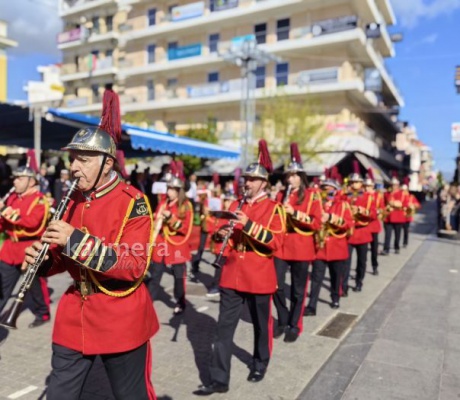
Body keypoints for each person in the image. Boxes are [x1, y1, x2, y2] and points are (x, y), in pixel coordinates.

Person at [24, 126, 159, 399]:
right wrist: (42, 261)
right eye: (72, 159)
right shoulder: (72, 198)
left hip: (120, 314)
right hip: (75, 314)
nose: (74, 167)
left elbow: (134, 264)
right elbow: (62, 259)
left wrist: (74, 241)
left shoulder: (133, 202)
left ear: (107, 163)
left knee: (130, 395)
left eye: (83, 160)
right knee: (59, 394)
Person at [194, 140, 284, 395]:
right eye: (246, 178)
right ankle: (219, 379)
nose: (248, 183)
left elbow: (275, 242)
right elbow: (224, 238)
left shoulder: (274, 208)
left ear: (264, 183)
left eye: (253, 180)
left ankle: (260, 362)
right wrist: (221, 235)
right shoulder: (236, 204)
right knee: (223, 328)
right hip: (232, 274)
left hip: (259, 275)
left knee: (260, 324)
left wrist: (249, 226)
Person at [273, 143, 321, 342]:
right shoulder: (280, 195)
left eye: (294, 175)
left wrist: (296, 214)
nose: (291, 179)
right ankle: (283, 318)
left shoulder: (312, 196)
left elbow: (316, 223)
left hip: (301, 247)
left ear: (301, 177)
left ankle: (294, 324)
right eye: (288, 176)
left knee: (298, 290)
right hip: (282, 246)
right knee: (275, 285)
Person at [0, 164, 51, 327]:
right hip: (10, 248)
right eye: (15, 178)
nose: (15, 182)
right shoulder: (13, 198)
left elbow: (31, 222)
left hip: (30, 248)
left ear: (31, 181)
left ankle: (42, 313)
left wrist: (5, 210)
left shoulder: (40, 200)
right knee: (2, 286)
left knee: (36, 286)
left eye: (19, 178)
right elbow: (5, 224)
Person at [148, 162, 194, 315]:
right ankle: (148, 302)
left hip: (177, 246)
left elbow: (186, 228)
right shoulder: (162, 203)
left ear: (179, 191)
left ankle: (180, 303)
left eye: (173, 189)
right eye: (168, 189)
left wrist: (171, 218)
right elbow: (155, 220)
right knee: (155, 276)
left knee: (179, 279)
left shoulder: (185, 206)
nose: (169, 192)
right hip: (161, 244)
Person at [306, 177, 353, 314]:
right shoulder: (317, 204)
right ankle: (312, 305)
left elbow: (349, 225)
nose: (326, 191)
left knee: (336, 276)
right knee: (316, 277)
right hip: (320, 247)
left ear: (336, 190)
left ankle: (335, 297)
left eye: (329, 189)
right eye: (323, 189)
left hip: (337, 247)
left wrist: (331, 218)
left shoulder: (343, 205)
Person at [343, 162, 377, 294]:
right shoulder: (345, 196)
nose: (353, 184)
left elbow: (373, 214)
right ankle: (344, 286)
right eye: (352, 182)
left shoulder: (368, 197)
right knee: (346, 261)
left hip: (362, 232)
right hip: (349, 232)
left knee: (361, 261)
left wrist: (362, 210)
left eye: (356, 182)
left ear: (361, 183)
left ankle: (359, 281)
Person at [381, 176, 410, 255]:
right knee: (387, 234)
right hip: (388, 217)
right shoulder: (387, 193)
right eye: (392, 185)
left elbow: (405, 204)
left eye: (395, 185)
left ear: (398, 185)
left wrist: (395, 203)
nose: (393, 186)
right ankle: (386, 249)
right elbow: (383, 204)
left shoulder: (402, 194)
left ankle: (396, 247)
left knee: (397, 234)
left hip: (398, 216)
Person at [363, 169, 384, 275]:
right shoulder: (362, 195)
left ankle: (374, 266)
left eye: (369, 186)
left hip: (374, 225)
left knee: (374, 249)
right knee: (363, 251)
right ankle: (362, 269)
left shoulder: (378, 196)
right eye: (366, 186)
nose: (367, 188)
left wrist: (377, 211)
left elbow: (382, 208)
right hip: (364, 226)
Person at [402, 180, 421, 247]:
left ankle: (405, 242)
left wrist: (413, 205)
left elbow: (418, 205)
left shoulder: (411, 197)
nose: (403, 191)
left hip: (407, 216)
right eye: (402, 190)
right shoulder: (400, 196)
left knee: (406, 230)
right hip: (400, 216)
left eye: (405, 190)